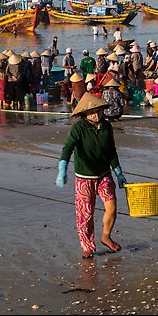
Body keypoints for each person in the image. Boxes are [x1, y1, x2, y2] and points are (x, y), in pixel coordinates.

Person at [55, 93, 129, 259]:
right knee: (85, 214)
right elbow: (67, 148)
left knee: (112, 206)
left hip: (104, 175)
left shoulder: (106, 127)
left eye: (99, 111)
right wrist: (62, 169)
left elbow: (112, 151)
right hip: (84, 177)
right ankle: (87, 246)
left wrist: (119, 172)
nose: (97, 114)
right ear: (85, 113)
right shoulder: (78, 128)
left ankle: (106, 236)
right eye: (92, 112)